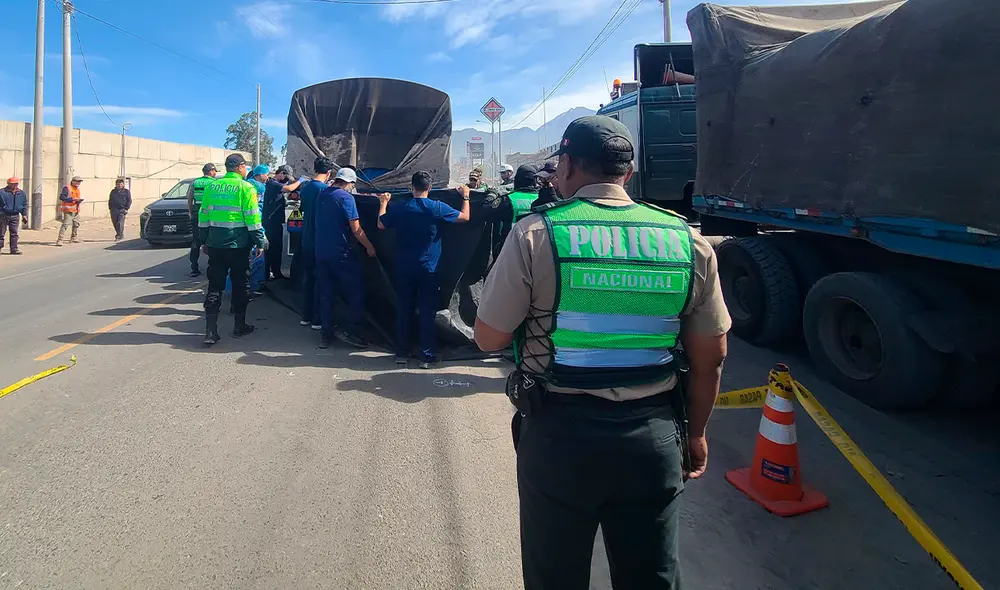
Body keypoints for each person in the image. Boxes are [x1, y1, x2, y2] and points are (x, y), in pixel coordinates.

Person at [473, 116, 731, 589]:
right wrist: (695, 434)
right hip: (654, 437)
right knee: (650, 574)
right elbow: (710, 356)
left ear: (566, 165)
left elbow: (488, 337)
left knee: (556, 573)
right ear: (627, 174)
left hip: (559, 436)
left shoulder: (536, 234)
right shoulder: (685, 239)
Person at [377, 171, 471, 368]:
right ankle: (427, 355)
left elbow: (380, 224)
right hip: (428, 269)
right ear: (429, 187)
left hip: (404, 268)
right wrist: (466, 196)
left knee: (404, 310)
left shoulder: (402, 207)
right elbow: (465, 218)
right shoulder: (436, 207)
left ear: (411, 187)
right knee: (427, 312)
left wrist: (383, 202)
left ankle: (401, 352)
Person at [198, 153, 268, 346]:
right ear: (240, 167)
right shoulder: (246, 187)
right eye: (245, 167)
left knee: (214, 287)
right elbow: (253, 219)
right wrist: (260, 242)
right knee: (240, 285)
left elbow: (203, 217)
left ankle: (210, 331)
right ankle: (239, 325)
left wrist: (204, 241)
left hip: (215, 245)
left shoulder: (212, 186)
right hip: (239, 246)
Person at [314, 167, 377, 349]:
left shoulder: (323, 194)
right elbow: (356, 229)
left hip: (321, 251)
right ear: (349, 183)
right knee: (355, 292)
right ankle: (352, 331)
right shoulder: (346, 198)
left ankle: (326, 334)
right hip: (340, 253)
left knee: (326, 294)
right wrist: (370, 247)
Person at [298, 156, 335, 330]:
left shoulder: (305, 188)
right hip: (321, 241)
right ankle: (318, 319)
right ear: (328, 173)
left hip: (306, 239)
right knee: (322, 281)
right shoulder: (327, 190)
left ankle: (305, 315)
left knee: (308, 279)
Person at [263, 165, 303, 281]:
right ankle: (267, 275)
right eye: (286, 177)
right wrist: (300, 180)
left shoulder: (277, 186)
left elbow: (289, 192)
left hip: (276, 222)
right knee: (270, 250)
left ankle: (276, 273)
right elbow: (289, 189)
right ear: (281, 173)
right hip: (270, 222)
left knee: (277, 248)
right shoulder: (272, 183)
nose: (286, 181)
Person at [187, 163, 218, 276]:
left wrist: (191, 212)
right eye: (215, 171)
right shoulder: (214, 183)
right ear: (210, 171)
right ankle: (212, 266)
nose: (215, 174)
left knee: (196, 240)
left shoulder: (195, 182)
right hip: (209, 214)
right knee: (211, 240)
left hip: (196, 213)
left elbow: (190, 199)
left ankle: (194, 267)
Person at [0, 177, 28, 255]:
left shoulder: (21, 193)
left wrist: (24, 215)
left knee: (14, 233)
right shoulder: (2, 192)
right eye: (13, 184)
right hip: (3, 215)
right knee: (1, 233)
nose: (15, 185)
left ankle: (14, 249)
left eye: (16, 183)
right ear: (8, 184)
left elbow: (24, 204)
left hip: (15, 215)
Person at [56, 176, 84, 246]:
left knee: (76, 224)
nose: (78, 183)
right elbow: (62, 197)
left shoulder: (77, 189)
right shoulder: (67, 188)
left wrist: (78, 201)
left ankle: (74, 237)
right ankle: (60, 239)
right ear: (73, 181)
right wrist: (72, 200)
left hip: (76, 209)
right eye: (77, 181)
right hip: (68, 209)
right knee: (65, 224)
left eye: (79, 182)